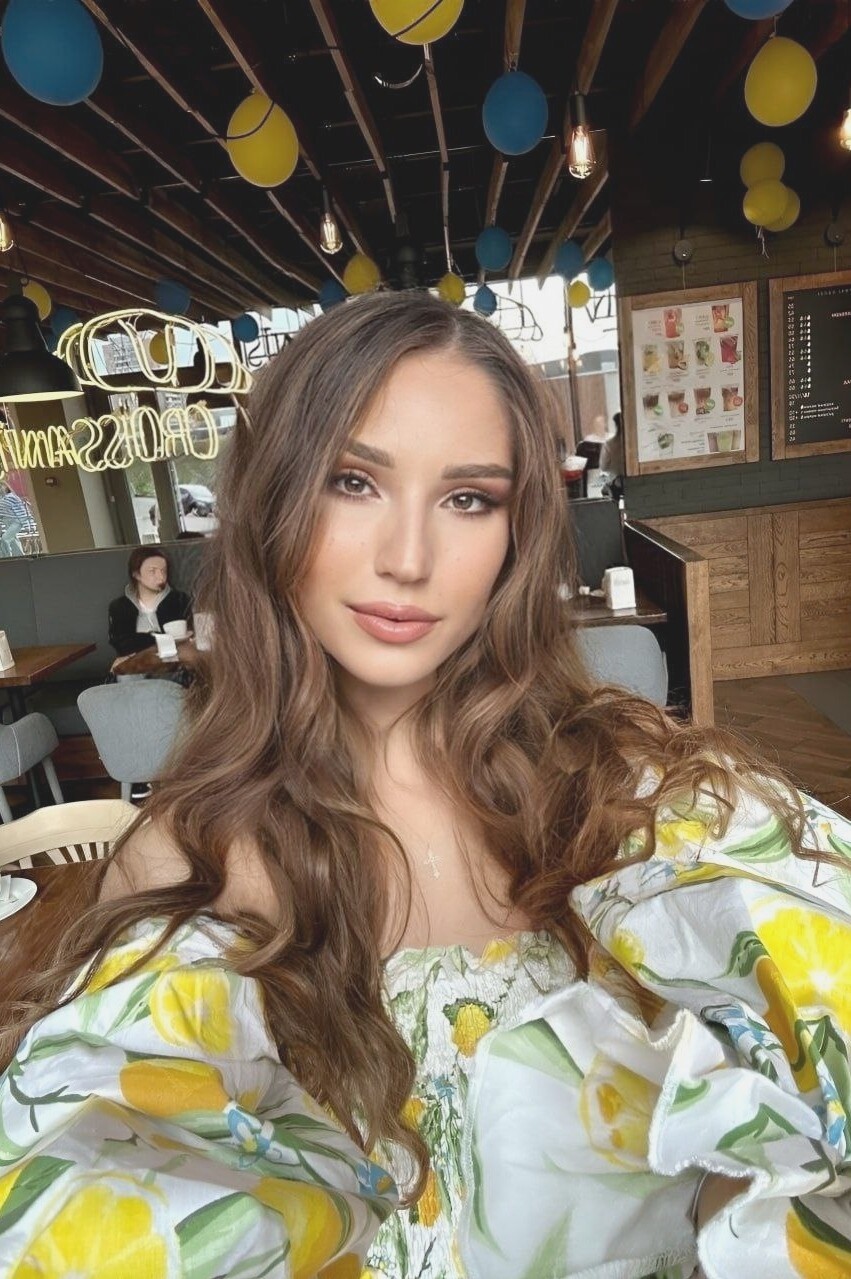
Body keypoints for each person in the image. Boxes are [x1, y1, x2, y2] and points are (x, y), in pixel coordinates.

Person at [2, 292, 850, 1278]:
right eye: (351, 482)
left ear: (516, 532)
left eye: (467, 498)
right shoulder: (185, 857)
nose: (406, 559)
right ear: (274, 504)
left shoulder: (648, 799)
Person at [107, 544, 193, 657]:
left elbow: (185, 637)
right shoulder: (119, 606)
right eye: (152, 571)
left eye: (163, 571)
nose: (161, 577)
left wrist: (142, 639)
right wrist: (159, 637)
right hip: (137, 663)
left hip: (177, 661)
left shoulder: (179, 600)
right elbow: (121, 644)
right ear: (136, 574)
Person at [0, 479, 37, 557]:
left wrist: (27, 524)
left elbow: (22, 511)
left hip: (15, 522)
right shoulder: (3, 499)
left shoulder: (11, 497)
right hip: (8, 522)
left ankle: (8, 557)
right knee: (12, 540)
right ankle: (18, 556)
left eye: (1, 487)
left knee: (5, 539)